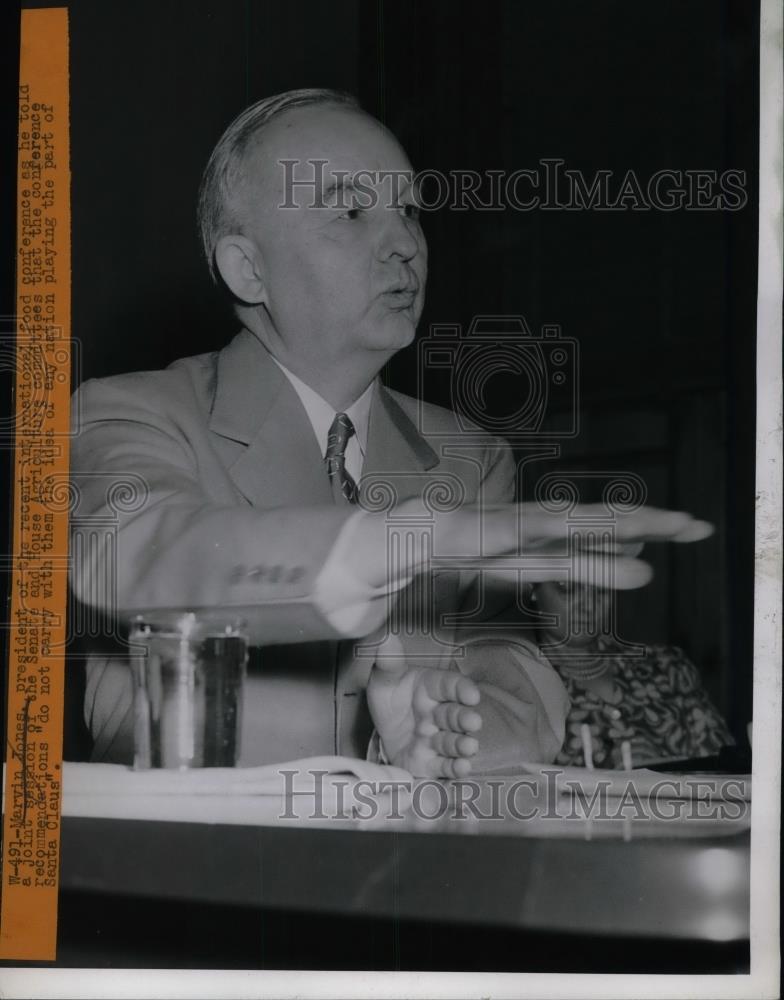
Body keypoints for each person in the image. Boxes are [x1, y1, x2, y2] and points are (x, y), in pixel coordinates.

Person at [69, 88, 713, 776]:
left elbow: (509, 663)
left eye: (408, 208)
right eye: (351, 211)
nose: (406, 243)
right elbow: (138, 550)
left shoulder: (470, 456)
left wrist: (451, 737)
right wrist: (401, 541)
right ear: (248, 268)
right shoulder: (127, 411)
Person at [529, 578, 734, 768]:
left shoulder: (667, 667)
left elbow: (728, 771)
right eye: (568, 588)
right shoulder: (521, 684)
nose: (589, 606)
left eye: (602, 589)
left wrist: (665, 769)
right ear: (532, 588)